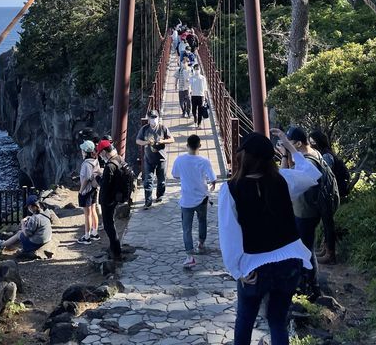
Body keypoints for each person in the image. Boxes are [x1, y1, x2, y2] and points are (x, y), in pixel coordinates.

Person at [219, 131, 321, 345]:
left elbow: (229, 234)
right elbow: (312, 174)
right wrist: (291, 149)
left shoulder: (231, 189)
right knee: (277, 320)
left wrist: (236, 270)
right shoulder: (284, 180)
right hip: (289, 262)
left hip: (255, 265)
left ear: (243, 157)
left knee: (245, 320)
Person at [282, 127, 324, 297]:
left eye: (289, 143)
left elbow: (285, 178)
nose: (287, 146)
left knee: (306, 249)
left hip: (305, 211)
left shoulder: (309, 161)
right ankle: (308, 284)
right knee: (306, 247)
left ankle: (312, 287)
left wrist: (285, 155)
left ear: (298, 143)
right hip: (309, 208)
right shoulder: (314, 154)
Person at [171, 134, 216, 268]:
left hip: (186, 199)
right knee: (202, 221)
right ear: (200, 146)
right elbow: (213, 178)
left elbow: (175, 175)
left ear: (187, 145)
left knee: (187, 229)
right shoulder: (204, 161)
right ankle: (201, 243)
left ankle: (190, 256)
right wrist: (212, 184)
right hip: (202, 197)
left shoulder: (179, 160)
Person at [309, 130, 349, 264]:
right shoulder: (327, 153)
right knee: (326, 223)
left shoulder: (326, 156)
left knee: (328, 223)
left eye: (313, 141)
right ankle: (325, 249)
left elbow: (324, 175)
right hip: (330, 193)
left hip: (329, 194)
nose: (311, 144)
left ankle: (330, 253)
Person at [135, 109, 174, 209]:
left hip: (161, 158)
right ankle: (148, 201)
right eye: (151, 118)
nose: (153, 120)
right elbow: (138, 140)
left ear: (158, 118)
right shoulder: (144, 129)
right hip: (149, 158)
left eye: (155, 117)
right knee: (148, 180)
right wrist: (146, 142)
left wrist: (162, 141)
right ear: (148, 119)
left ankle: (159, 195)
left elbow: (172, 139)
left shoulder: (163, 128)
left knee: (161, 180)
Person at [97, 142, 124, 259]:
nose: (100, 156)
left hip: (108, 199)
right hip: (115, 197)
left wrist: (97, 177)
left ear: (104, 152)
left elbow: (105, 185)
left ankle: (116, 251)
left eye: (100, 153)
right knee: (110, 224)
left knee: (108, 225)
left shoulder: (109, 166)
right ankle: (114, 248)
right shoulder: (119, 159)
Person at [76, 139, 102, 244]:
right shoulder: (95, 160)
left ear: (86, 152)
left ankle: (87, 237)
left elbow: (86, 179)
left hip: (86, 191)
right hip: (94, 189)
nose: (81, 152)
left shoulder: (86, 164)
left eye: (83, 150)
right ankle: (94, 233)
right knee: (93, 211)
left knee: (87, 214)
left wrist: (81, 191)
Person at [189, 64, 208, 129]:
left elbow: (205, 88)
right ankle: (195, 117)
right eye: (196, 69)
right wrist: (189, 92)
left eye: (198, 69)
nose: (197, 70)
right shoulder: (191, 78)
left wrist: (205, 97)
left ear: (200, 70)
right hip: (194, 95)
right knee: (193, 110)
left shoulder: (203, 78)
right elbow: (189, 86)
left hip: (201, 96)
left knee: (200, 110)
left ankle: (199, 124)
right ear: (194, 70)